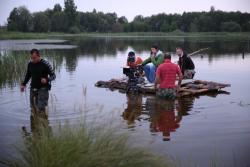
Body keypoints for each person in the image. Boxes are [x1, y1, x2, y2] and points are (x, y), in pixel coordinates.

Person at [20, 49, 56, 113]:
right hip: (33, 88)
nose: (33, 60)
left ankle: (43, 121)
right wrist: (23, 84)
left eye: (34, 58)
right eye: (31, 58)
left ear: (39, 56)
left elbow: (53, 76)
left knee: (41, 109)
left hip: (43, 89)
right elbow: (28, 75)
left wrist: (46, 80)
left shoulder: (45, 64)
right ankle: (34, 122)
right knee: (33, 108)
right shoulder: (30, 64)